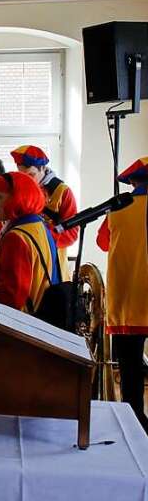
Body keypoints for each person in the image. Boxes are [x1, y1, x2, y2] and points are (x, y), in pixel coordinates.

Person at [97, 157, 148, 432]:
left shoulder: (117, 211)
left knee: (130, 368)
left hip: (128, 300)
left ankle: (135, 422)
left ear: (132, 182)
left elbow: (102, 243)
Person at [0, 171, 62, 313]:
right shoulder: (39, 225)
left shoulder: (15, 237)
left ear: (16, 198)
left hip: (22, 324)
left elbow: (12, 299)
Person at [11, 145, 77, 278]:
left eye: (31, 175)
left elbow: (72, 233)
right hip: (24, 259)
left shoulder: (62, 192)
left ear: (43, 168)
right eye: (22, 176)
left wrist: (40, 238)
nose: (27, 181)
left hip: (52, 264)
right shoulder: (18, 190)